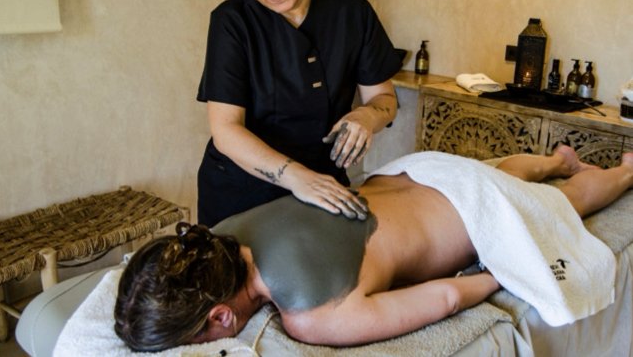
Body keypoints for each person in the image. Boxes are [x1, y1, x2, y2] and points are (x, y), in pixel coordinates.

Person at [114, 147, 633, 351]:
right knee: (496, 174)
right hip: (420, 168)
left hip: (473, 210)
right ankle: (555, 158)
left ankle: (626, 168)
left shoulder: (311, 319)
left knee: (562, 205)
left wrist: (507, 269)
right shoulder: (225, 228)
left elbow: (446, 299)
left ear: (223, 318)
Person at [196, 0, 406, 226]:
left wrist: (367, 117)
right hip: (241, 195)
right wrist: (297, 178)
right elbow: (226, 130)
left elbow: (384, 98)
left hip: (323, 186)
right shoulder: (230, 23)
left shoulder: (351, 12)